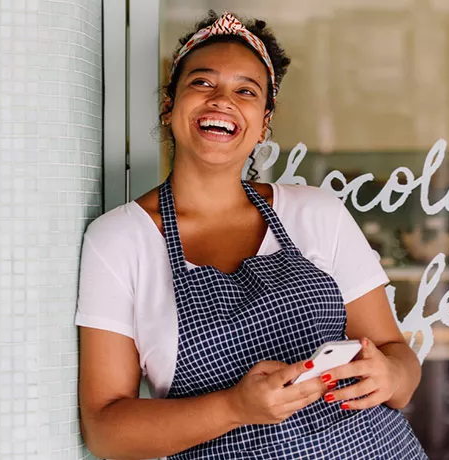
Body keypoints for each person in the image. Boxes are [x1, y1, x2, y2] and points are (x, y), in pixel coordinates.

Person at [76, 10, 428, 459]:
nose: (222, 100)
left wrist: (390, 377)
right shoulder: (119, 241)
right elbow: (107, 430)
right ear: (170, 105)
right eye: (202, 83)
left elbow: (398, 359)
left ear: (263, 122)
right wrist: (234, 407)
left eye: (246, 91)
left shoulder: (317, 212)